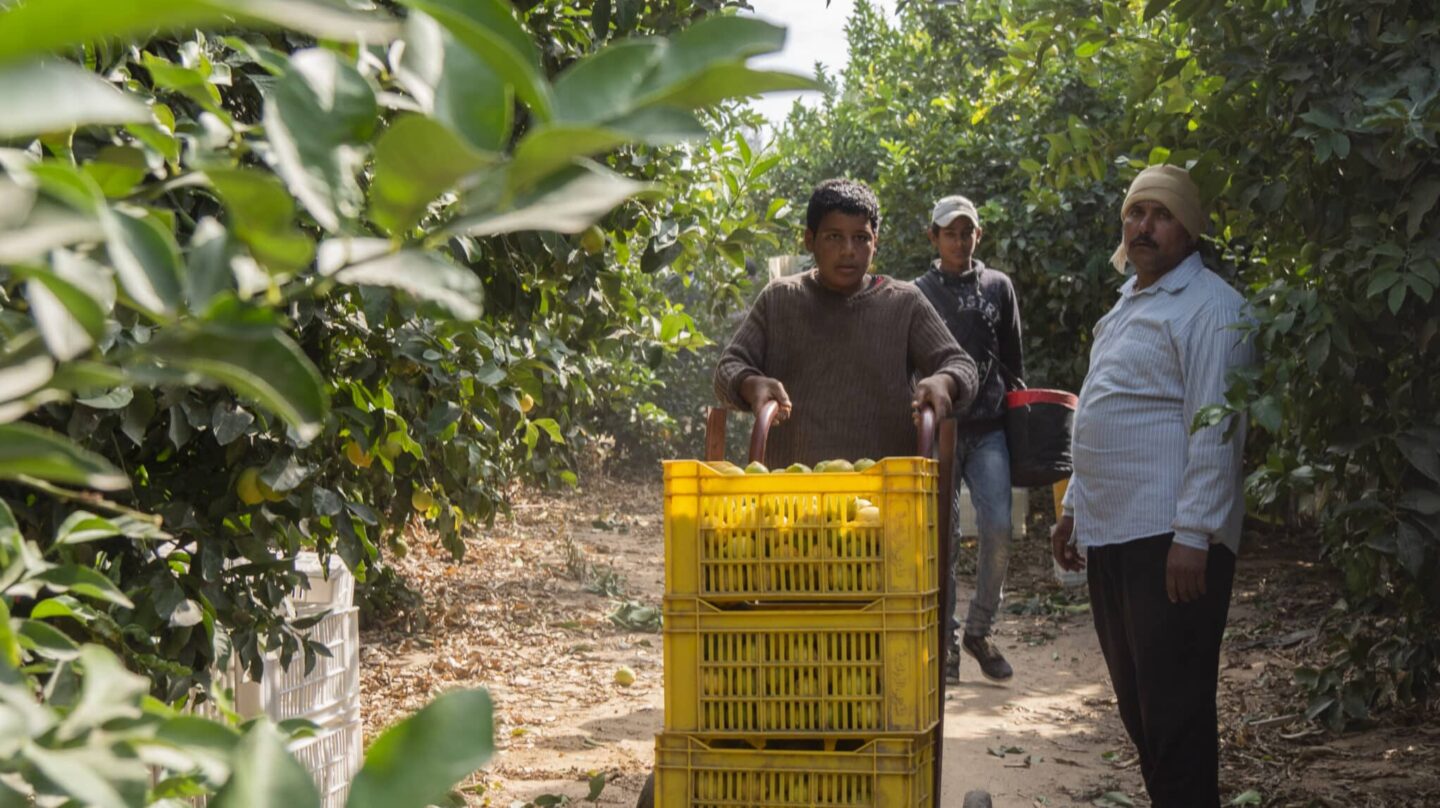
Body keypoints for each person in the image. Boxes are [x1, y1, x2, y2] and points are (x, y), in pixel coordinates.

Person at [1051, 164, 1253, 807]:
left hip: (1170, 541)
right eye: (1136, 213)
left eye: (1161, 214)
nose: (1144, 226)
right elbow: (1107, 410)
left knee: (1176, 713)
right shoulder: (1127, 305)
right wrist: (1074, 508)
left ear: (1189, 229)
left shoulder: (1212, 308)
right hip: (1115, 534)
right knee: (1142, 709)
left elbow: (1216, 428)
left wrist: (1195, 534)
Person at [713, 178, 979, 467]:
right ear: (809, 240)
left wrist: (944, 381)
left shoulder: (904, 303)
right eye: (834, 237)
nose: (848, 250)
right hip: (792, 496)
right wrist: (751, 385)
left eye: (861, 238)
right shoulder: (780, 299)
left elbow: (961, 365)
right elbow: (728, 368)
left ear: (875, 243)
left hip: (886, 494)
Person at [914, 195, 1024, 684]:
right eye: (950, 232)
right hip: (939, 431)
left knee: (998, 528)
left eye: (968, 232)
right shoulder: (917, 292)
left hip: (990, 428)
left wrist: (1021, 417)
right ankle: (946, 646)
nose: (960, 240)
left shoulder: (998, 287)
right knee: (943, 538)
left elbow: (1014, 361)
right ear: (933, 237)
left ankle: (979, 630)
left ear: (978, 236)